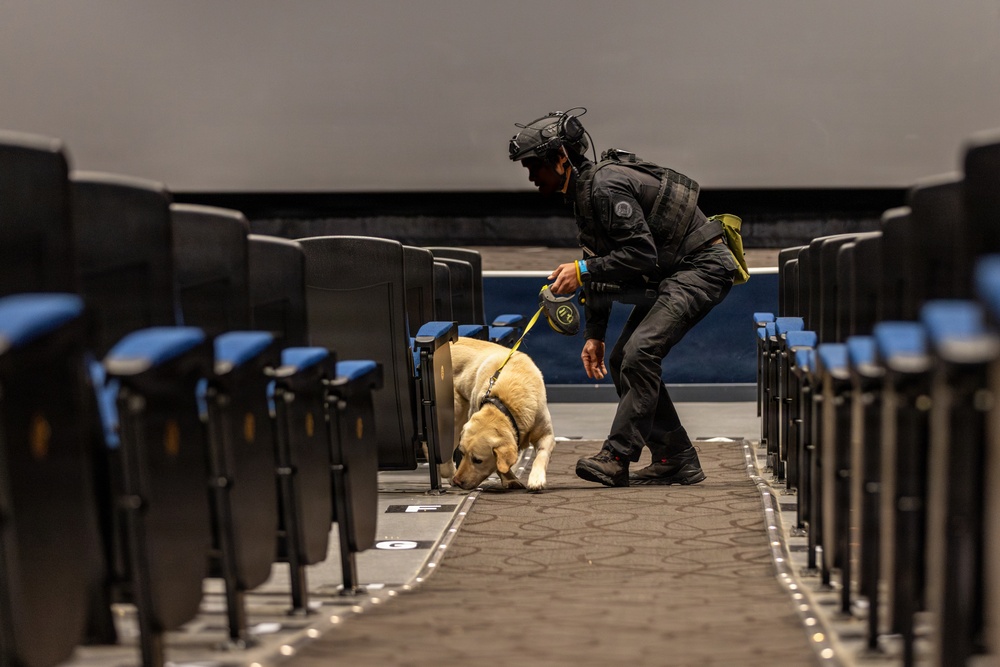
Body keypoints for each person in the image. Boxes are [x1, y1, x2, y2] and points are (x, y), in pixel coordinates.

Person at [508, 109, 739, 487]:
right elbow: (602, 263)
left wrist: (581, 272)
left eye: (535, 166)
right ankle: (675, 458)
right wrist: (594, 335)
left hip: (701, 267)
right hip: (674, 272)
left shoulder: (604, 187)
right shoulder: (584, 194)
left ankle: (617, 456)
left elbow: (640, 255)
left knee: (640, 353)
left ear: (561, 160)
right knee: (621, 359)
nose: (532, 177)